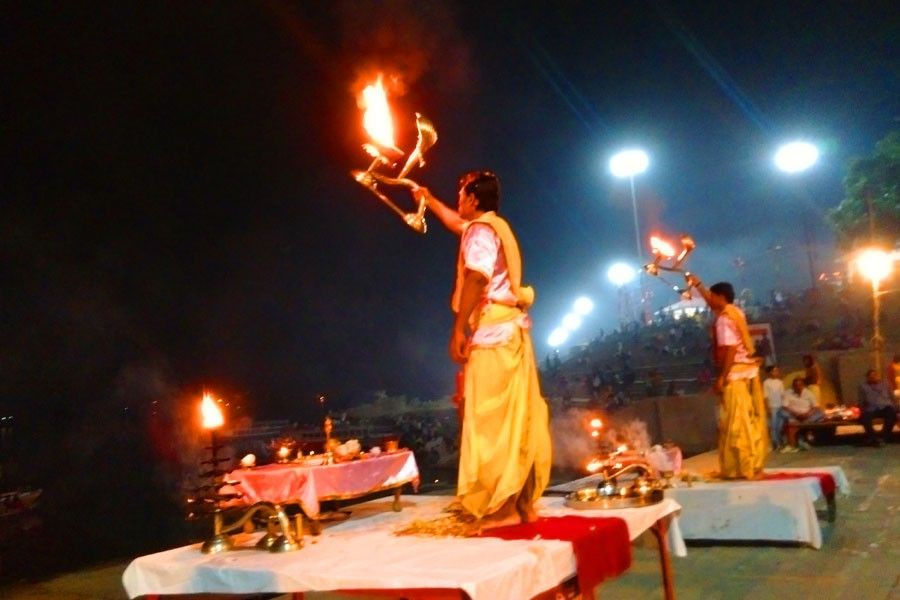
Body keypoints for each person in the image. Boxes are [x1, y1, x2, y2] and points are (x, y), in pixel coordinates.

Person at [412, 171, 552, 528]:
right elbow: (457, 223)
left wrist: (458, 328)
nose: (458, 199)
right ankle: (521, 506)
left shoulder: (481, 232)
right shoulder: (495, 226)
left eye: (461, 194)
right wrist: (427, 199)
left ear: (474, 198)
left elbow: (477, 275)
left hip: (493, 333)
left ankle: (499, 508)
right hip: (512, 332)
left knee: (492, 423)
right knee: (516, 421)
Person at [686, 274, 769, 479]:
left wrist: (722, 377)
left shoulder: (724, 320)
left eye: (712, 296)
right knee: (748, 420)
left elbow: (730, 349)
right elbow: (712, 303)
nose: (709, 300)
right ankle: (751, 464)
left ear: (720, 296)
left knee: (736, 422)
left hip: (735, 374)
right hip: (747, 371)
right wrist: (697, 284)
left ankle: (742, 467)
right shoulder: (735, 311)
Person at [775, 376, 825, 451]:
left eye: (800, 385)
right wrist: (795, 413)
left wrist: (809, 413)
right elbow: (785, 407)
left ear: (803, 385)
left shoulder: (809, 393)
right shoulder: (788, 393)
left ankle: (807, 425)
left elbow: (816, 406)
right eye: (796, 385)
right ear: (793, 386)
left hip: (807, 415)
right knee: (780, 412)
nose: (798, 387)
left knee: (820, 413)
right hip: (793, 415)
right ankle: (786, 441)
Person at [857, 369, 898, 447]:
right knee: (864, 418)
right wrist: (862, 409)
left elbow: (892, 397)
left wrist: (895, 406)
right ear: (868, 378)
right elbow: (861, 400)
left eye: (874, 376)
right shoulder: (863, 386)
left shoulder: (885, 384)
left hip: (885, 406)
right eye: (871, 377)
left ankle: (884, 436)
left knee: (892, 415)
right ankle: (873, 438)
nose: (873, 378)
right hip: (872, 408)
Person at [762, 365, 785, 448]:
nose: (776, 372)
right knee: (773, 426)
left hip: (780, 406)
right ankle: (775, 442)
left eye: (777, 371)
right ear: (769, 372)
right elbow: (765, 396)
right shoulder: (766, 382)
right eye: (774, 371)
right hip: (772, 406)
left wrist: (783, 405)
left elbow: (782, 395)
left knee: (780, 425)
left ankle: (780, 440)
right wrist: (767, 408)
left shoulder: (780, 382)